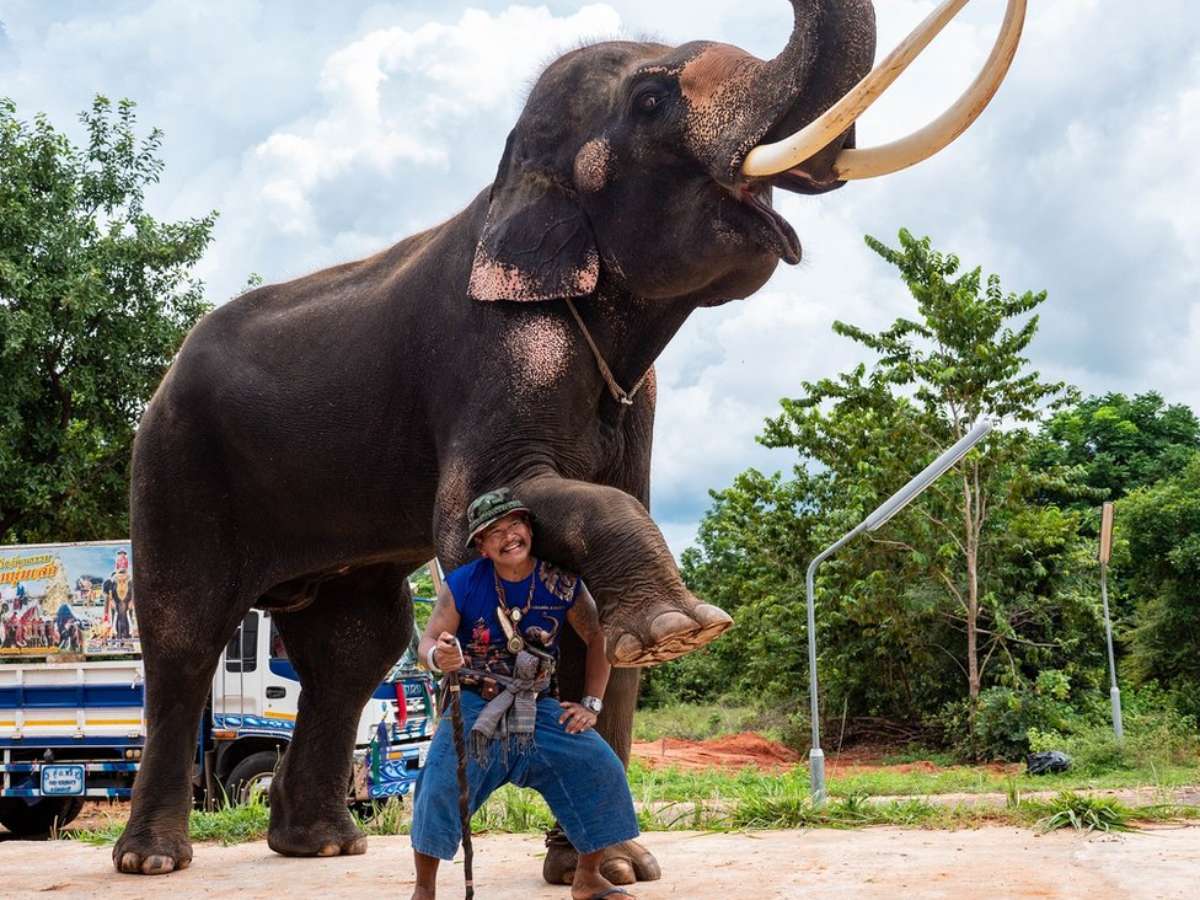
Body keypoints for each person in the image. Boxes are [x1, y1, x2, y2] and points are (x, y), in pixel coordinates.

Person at [409, 488, 638, 900]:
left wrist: (591, 705)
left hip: (539, 706)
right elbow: (425, 642)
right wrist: (437, 657)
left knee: (599, 765)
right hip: (475, 705)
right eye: (494, 531)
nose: (508, 536)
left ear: (528, 527)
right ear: (481, 545)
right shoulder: (462, 585)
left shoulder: (561, 583)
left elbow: (598, 635)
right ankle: (424, 890)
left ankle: (587, 877)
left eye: (514, 524)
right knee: (439, 785)